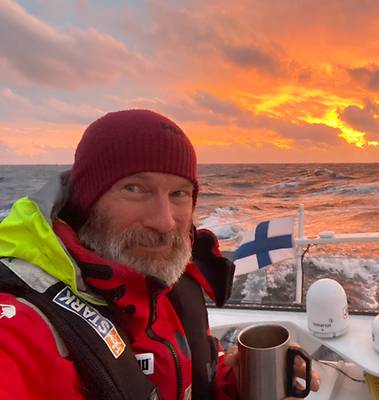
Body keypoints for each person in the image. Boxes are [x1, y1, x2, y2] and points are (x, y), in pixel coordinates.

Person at [0, 109, 319, 399]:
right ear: (87, 201)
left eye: (179, 193)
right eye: (135, 189)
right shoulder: (21, 325)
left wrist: (236, 383)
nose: (164, 222)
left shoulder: (166, 279)